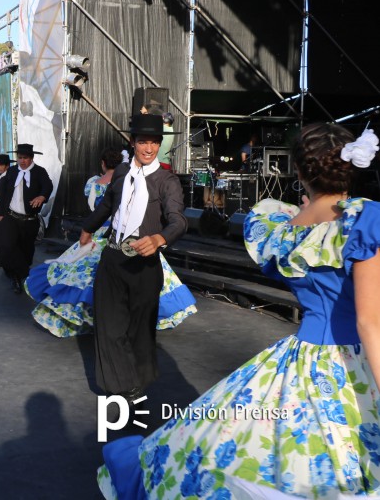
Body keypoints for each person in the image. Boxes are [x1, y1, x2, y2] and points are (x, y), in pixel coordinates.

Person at [97, 122, 380, 498]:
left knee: (277, 454)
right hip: (354, 363)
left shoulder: (285, 228)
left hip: (303, 359)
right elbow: (369, 321)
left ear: (298, 171)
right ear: (352, 168)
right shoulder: (364, 221)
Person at [26, 147, 197, 337]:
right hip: (125, 233)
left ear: (103, 163)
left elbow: (97, 208)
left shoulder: (94, 183)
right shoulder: (129, 180)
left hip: (99, 232)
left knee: (83, 276)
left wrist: (88, 229)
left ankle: (95, 318)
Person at [79, 113, 185, 411]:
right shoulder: (122, 172)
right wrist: (87, 228)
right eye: (143, 142)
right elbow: (107, 205)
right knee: (109, 327)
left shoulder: (167, 181)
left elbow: (178, 220)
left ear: (160, 144)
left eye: (154, 142)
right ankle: (122, 386)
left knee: (138, 331)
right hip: (113, 258)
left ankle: (137, 380)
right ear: (132, 142)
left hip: (144, 264)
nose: (149, 148)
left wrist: (160, 238)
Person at [0, 144, 54, 294]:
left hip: (29, 220)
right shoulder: (12, 171)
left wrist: (42, 196)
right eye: (19, 158)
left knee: (26, 249)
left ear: (31, 158)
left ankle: (22, 273)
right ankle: (15, 277)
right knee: (8, 246)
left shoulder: (39, 172)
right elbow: (2, 192)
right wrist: (1, 213)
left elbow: (48, 186)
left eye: (25, 158)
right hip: (11, 217)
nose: (22, 161)